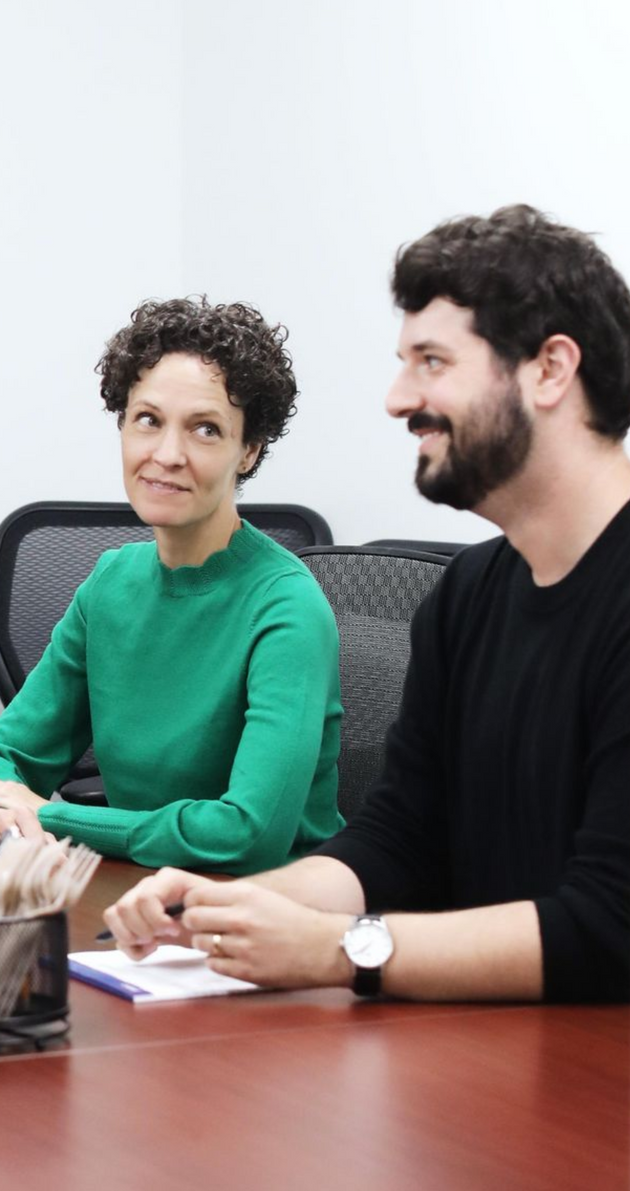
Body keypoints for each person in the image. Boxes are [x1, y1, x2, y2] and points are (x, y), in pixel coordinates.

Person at [107, 206, 630, 1003]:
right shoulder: (468, 598)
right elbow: (399, 841)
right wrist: (232, 907)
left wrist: (341, 949)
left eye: (431, 362)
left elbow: (609, 926)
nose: (396, 399)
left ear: (550, 371)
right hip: (482, 1057)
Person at [0, 298, 342, 873]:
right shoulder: (112, 584)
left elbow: (247, 834)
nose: (167, 455)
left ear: (248, 450)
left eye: (205, 429)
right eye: (148, 420)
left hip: (272, 914)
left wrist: (47, 815)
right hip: (141, 897)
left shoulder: (286, 606)